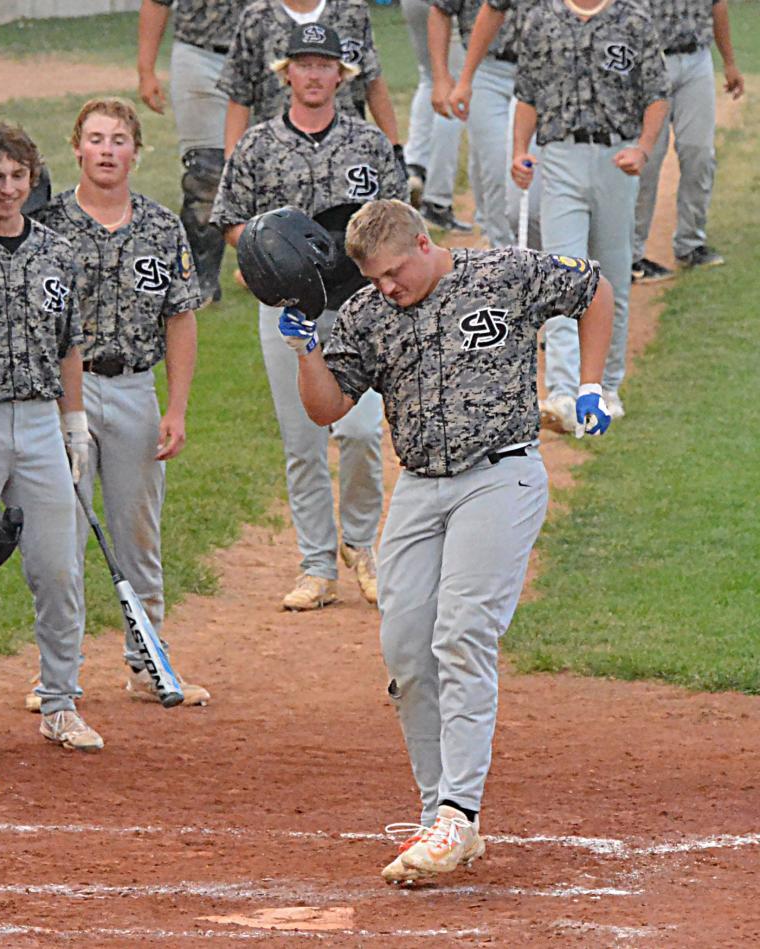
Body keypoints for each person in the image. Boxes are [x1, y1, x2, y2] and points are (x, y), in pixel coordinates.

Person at [278, 198, 614, 881]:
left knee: (462, 633)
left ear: (425, 244)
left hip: (501, 478)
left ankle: (459, 812)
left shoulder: (504, 272)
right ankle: (441, 813)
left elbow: (593, 287)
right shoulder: (369, 315)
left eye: (396, 272)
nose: (388, 287)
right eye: (375, 278)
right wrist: (305, 349)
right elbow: (328, 406)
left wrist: (589, 384)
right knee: (405, 649)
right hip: (421, 489)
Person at [211, 23, 407, 610]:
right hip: (291, 314)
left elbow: (398, 221)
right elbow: (231, 220)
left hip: (360, 310)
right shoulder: (257, 145)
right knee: (302, 443)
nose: (315, 75)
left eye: (327, 65)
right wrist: (260, 262)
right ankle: (317, 567)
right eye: (305, 64)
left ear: (341, 76)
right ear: (287, 73)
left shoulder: (370, 145)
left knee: (361, 433)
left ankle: (360, 544)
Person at [34, 98, 211, 706]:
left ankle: (147, 662)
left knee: (138, 534)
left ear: (136, 151)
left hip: (135, 387)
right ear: (76, 148)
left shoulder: (162, 227)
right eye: (96, 139)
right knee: (61, 538)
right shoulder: (47, 224)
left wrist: (176, 407)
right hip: (63, 396)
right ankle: (58, 674)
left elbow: (182, 319)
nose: (107, 150)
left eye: (119, 139)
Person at [0, 121, 104, 754]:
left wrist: (74, 422)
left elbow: (69, 344)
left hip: (37, 421)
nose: (7, 189)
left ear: (34, 179)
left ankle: (60, 702)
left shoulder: (57, 252)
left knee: (58, 569)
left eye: (18, 177)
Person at [511, 0, 669, 431]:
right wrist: (520, 150)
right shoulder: (541, 19)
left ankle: (606, 387)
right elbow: (527, 94)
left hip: (616, 156)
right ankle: (563, 391)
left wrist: (644, 148)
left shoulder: (633, 18)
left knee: (611, 273)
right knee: (565, 272)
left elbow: (656, 95)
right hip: (560, 153)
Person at [137, 0, 252, 304]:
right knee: (206, 172)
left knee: (269, 168)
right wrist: (146, 70)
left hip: (262, 55)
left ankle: (270, 269)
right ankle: (199, 282)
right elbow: (156, 2)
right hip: (199, 55)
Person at [631, 0, 745, 282]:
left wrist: (729, 62)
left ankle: (691, 244)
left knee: (699, 153)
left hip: (696, 59)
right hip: (647, 61)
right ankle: (631, 254)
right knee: (645, 160)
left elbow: (718, 5)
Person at [219, 0, 401, 158]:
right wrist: (232, 158)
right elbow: (240, 95)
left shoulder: (352, 11)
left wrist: (394, 148)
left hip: (347, 151)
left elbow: (373, 82)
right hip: (276, 153)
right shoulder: (257, 17)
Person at [428, 0, 541, 250]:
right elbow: (440, 9)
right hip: (487, 68)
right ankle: (504, 253)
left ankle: (541, 256)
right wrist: (442, 77)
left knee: (539, 173)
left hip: (543, 70)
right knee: (497, 165)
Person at [400, 0, 472, 232]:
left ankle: (415, 165)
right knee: (453, 88)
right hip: (446, 6)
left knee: (430, 77)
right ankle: (437, 201)